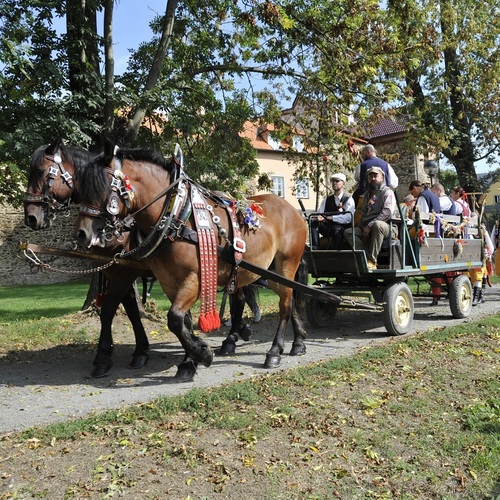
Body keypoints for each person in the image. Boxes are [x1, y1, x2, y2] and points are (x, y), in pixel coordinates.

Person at [344, 166, 397, 270]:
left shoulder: (387, 192)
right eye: (370, 176)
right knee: (349, 232)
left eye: (375, 176)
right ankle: (364, 256)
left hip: (388, 227)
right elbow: (364, 213)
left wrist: (370, 225)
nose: (373, 178)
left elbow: (388, 212)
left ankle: (372, 260)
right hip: (367, 226)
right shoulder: (367, 194)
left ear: (382, 177)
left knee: (378, 225)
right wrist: (362, 227)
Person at [311, 172, 355, 250]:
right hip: (327, 228)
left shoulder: (348, 200)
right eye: (333, 181)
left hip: (341, 229)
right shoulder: (327, 199)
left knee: (336, 229)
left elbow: (348, 218)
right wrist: (319, 217)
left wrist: (331, 218)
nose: (334, 183)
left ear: (343, 184)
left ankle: (336, 253)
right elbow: (320, 212)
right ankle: (315, 248)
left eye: (337, 181)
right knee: (313, 221)